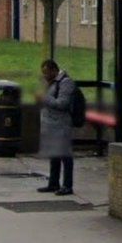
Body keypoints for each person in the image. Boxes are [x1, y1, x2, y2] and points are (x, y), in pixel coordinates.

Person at [36, 59, 76, 196]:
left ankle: (67, 185)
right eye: (43, 73)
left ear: (54, 70)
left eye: (46, 73)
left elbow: (62, 103)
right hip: (50, 124)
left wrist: (45, 98)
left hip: (61, 124)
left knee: (65, 155)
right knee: (54, 155)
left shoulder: (66, 83)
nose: (45, 76)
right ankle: (53, 183)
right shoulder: (49, 82)